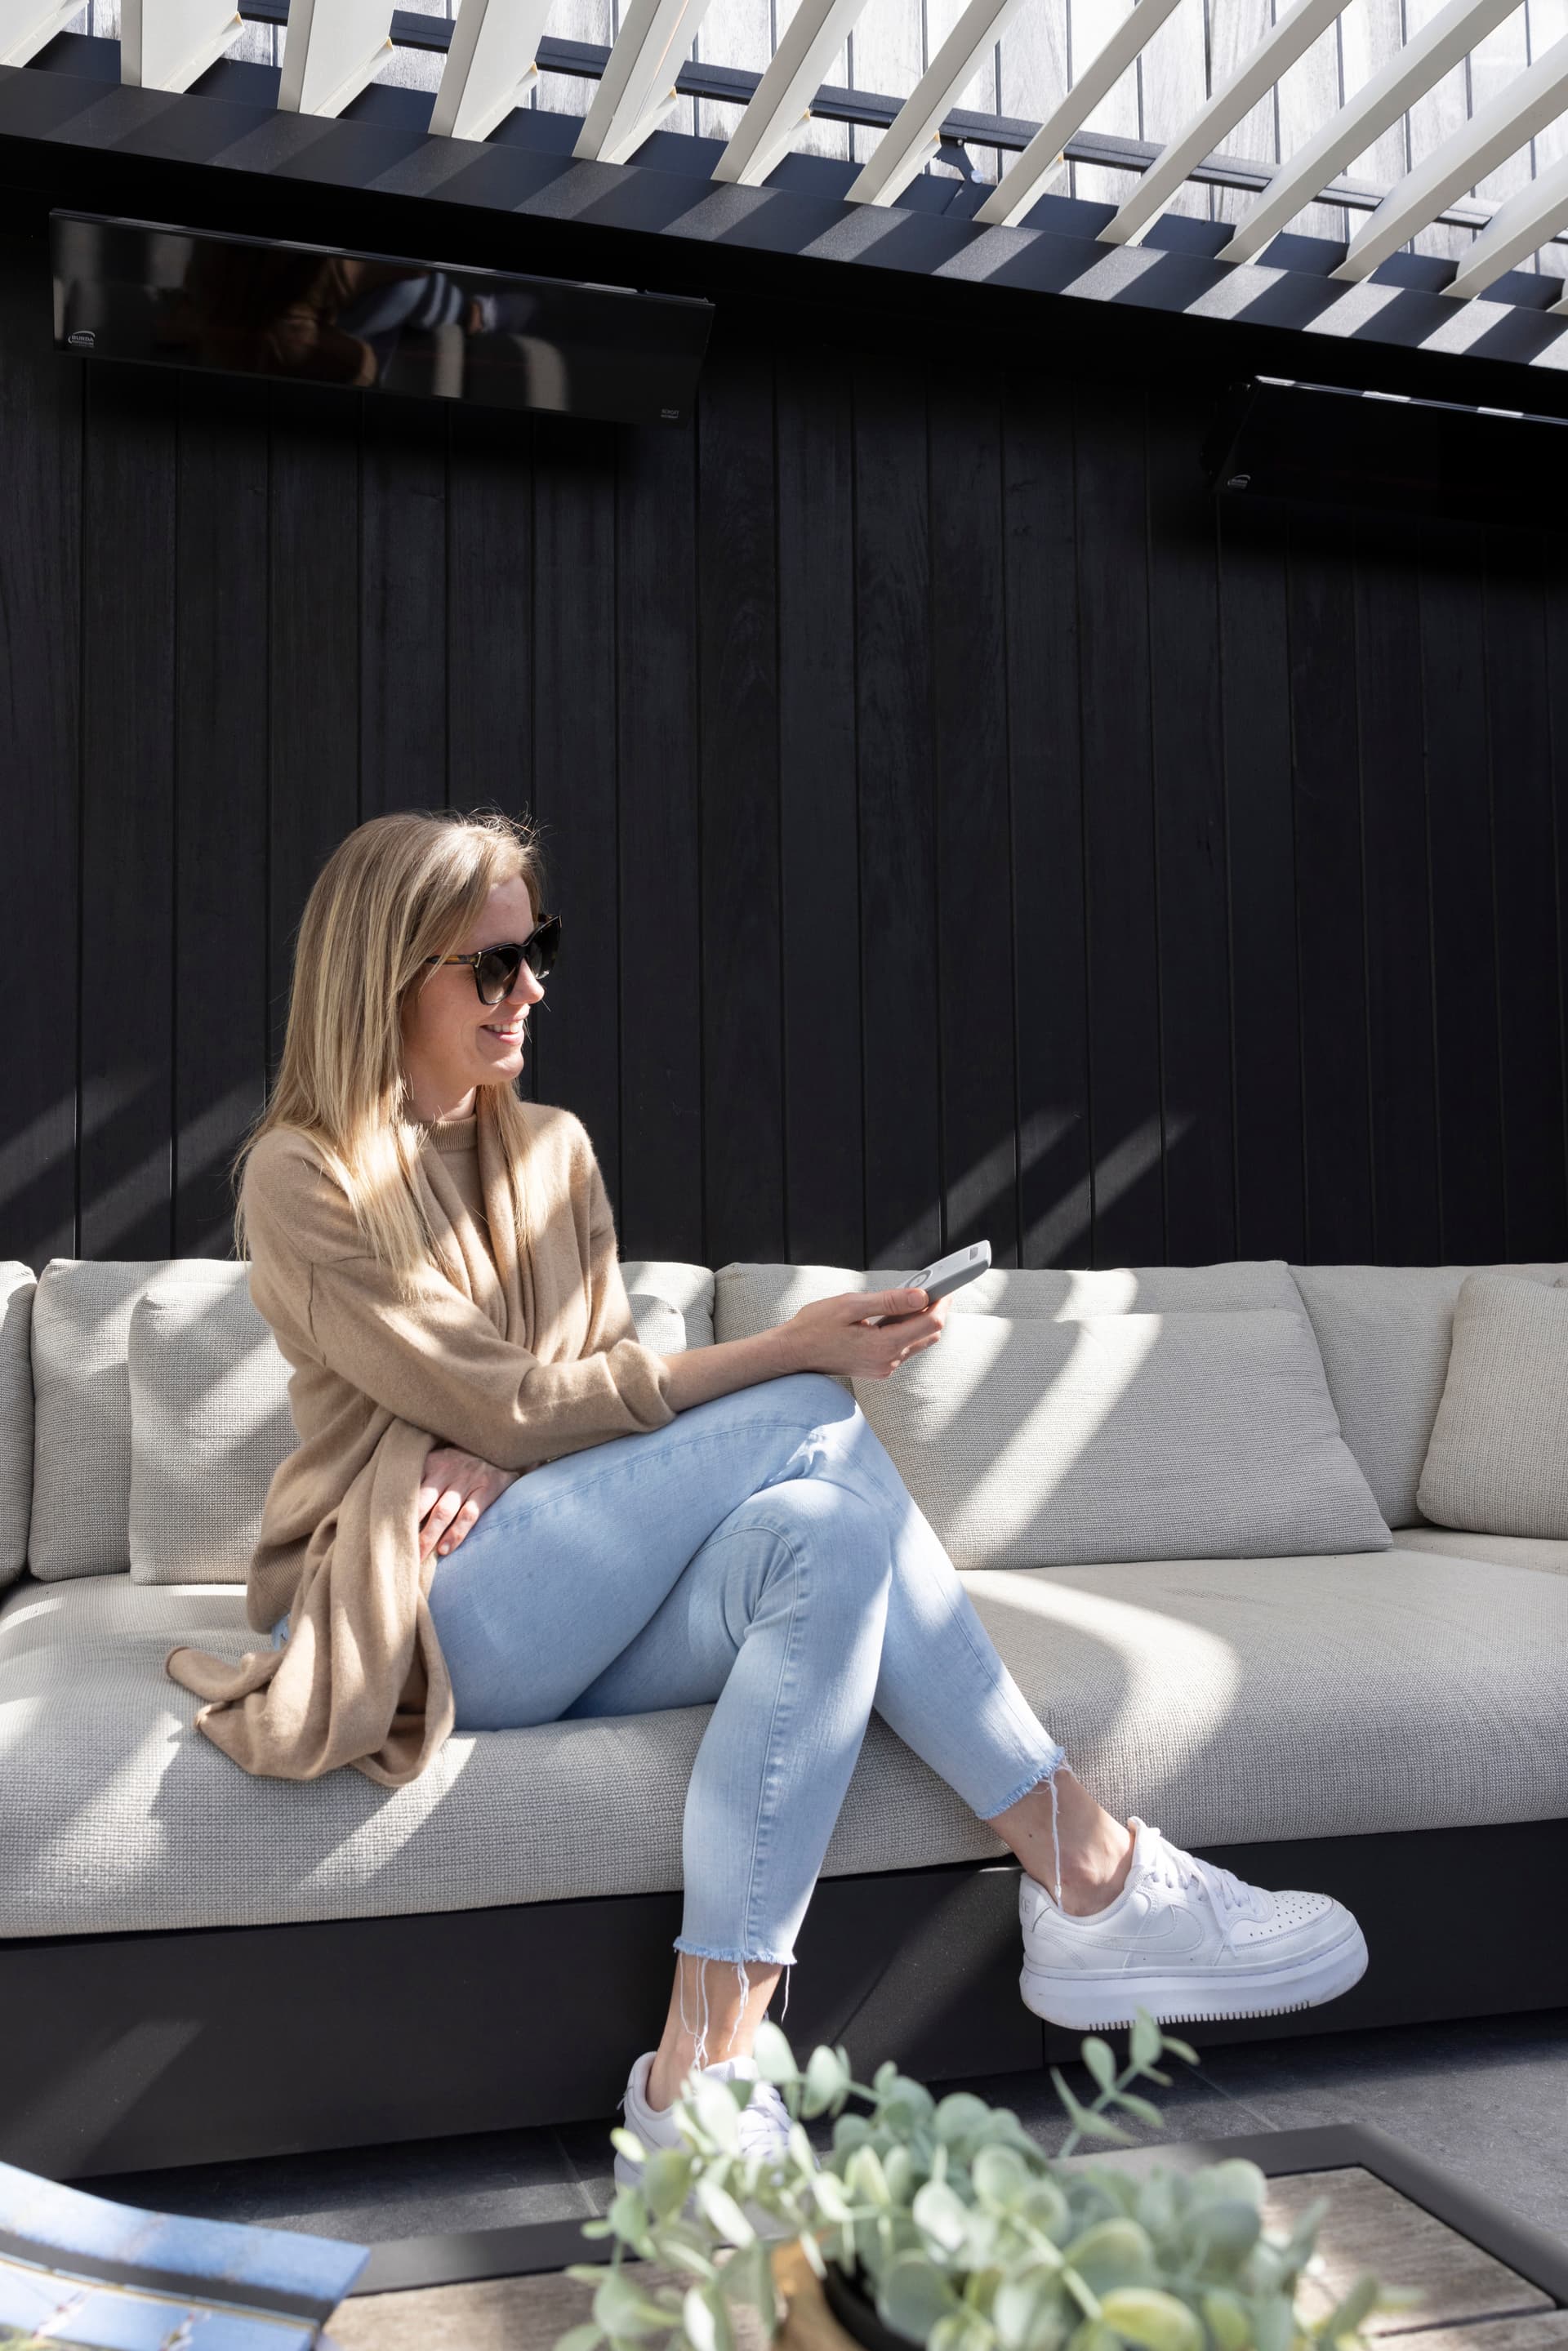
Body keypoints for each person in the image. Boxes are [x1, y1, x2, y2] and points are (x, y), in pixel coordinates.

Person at [165, 807, 1367, 2177]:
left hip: (562, 1570)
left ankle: (703, 2076)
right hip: (427, 1607)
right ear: (386, 979)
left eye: (536, 951)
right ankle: (1087, 1872)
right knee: (803, 1407)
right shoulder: (300, 1177)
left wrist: (501, 1436)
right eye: (490, 967)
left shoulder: (548, 1149)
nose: (531, 990)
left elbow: (562, 1391)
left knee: (824, 1536)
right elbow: (503, 1394)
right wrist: (747, 1358)